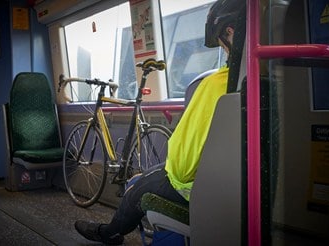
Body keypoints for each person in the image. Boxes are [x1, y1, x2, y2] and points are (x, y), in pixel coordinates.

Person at [74, 0, 245, 244]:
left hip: (190, 184)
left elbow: (183, 168)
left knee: (135, 189)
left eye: (222, 45)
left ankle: (110, 233)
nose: (223, 51)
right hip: (222, 183)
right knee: (146, 175)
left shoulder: (216, 85)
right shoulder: (249, 82)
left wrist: (173, 170)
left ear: (230, 32)